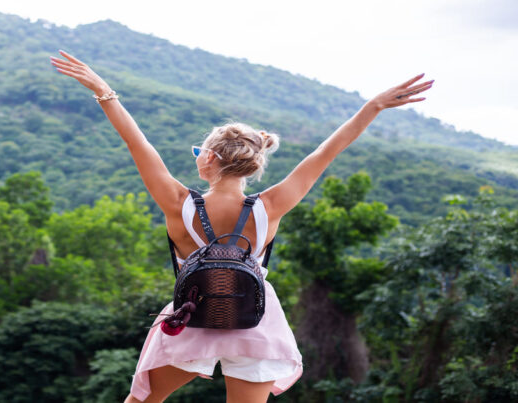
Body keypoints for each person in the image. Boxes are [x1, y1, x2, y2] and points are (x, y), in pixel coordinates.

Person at [50, 49, 432, 403]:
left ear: (210, 159)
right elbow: (326, 151)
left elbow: (137, 143)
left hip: (192, 316)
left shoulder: (177, 202)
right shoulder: (272, 206)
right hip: (255, 319)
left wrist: (104, 90)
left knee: (141, 401)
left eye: (200, 152)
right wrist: (374, 106)